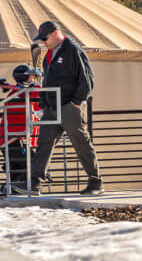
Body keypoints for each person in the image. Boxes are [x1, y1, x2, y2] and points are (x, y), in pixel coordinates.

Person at [30, 21, 104, 195]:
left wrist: (76, 102)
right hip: (51, 107)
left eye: (45, 38)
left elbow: (87, 78)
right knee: (43, 143)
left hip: (69, 106)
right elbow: (46, 81)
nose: (43, 42)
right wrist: (43, 103)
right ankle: (34, 182)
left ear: (56, 34)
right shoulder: (48, 54)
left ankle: (95, 182)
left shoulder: (72, 50)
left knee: (81, 144)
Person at [0, 65, 43, 194]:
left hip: (17, 136)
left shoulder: (23, 92)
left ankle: (12, 188)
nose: (34, 79)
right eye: (31, 76)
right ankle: (15, 187)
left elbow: (39, 106)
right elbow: (38, 94)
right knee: (28, 163)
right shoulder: (20, 93)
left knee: (19, 165)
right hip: (13, 137)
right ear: (24, 78)